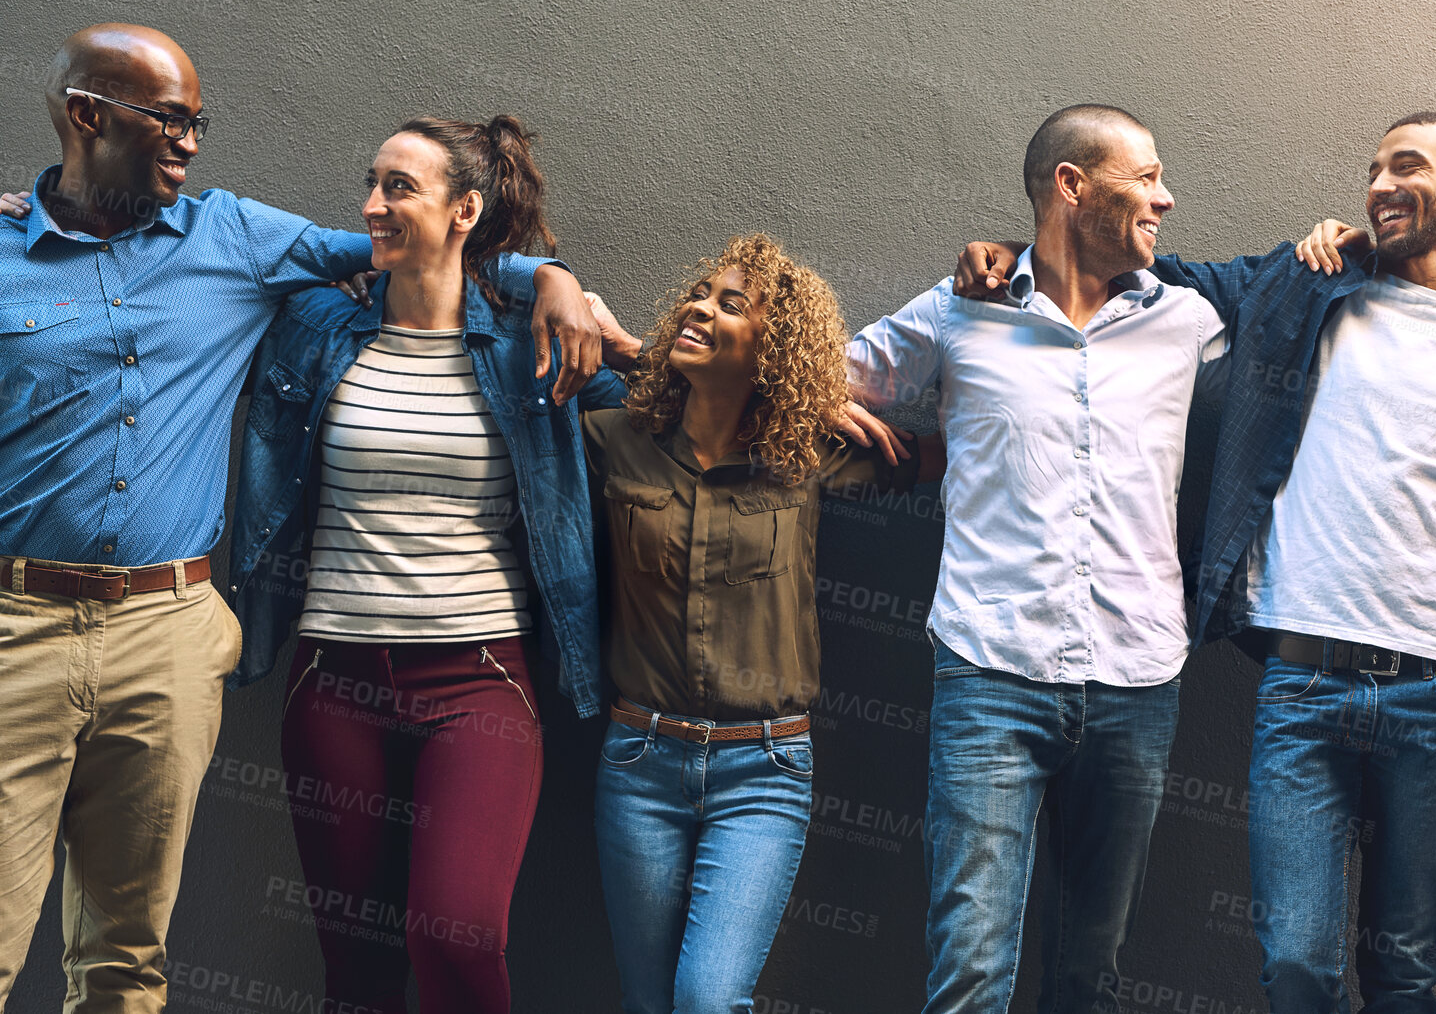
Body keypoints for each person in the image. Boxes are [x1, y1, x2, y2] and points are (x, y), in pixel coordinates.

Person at [0, 24, 590, 1014]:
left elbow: (431, 258)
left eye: (199, 122)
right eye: (170, 120)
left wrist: (555, 279)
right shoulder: (10, 253)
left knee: (125, 953)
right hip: (26, 628)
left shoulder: (231, 235)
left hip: (180, 633)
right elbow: (394, 242)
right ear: (88, 115)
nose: (190, 142)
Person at [956, 112, 1436, 1014]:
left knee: (1406, 971)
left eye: (1407, 166)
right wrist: (1011, 251)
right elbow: (1127, 269)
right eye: (1371, 167)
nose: (1377, 185)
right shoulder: (1302, 285)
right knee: (1296, 962)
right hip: (1302, 688)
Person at [221, 114, 631, 1014]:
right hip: (333, 676)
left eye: (399, 188)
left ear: (465, 210)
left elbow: (665, 400)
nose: (371, 204)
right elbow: (193, 275)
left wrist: (573, 296)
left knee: (456, 933)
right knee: (355, 970)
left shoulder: (532, 340)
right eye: (371, 182)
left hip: (479, 677)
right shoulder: (314, 323)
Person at [847, 105, 1231, 1013]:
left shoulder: (1187, 322)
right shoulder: (958, 313)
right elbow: (815, 371)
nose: (1165, 198)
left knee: (1087, 977)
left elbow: (1314, 316)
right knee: (970, 975)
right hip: (991, 674)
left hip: (1139, 679)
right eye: (1145, 178)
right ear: (1072, 185)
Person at [581, 232, 942, 1013]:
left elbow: (965, 451)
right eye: (701, 295)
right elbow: (521, 342)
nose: (700, 307)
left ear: (771, 350)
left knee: (708, 1000)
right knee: (648, 1003)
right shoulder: (615, 440)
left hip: (765, 772)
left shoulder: (809, 455)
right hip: (639, 760)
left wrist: (812, 400)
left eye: (729, 304)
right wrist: (619, 348)